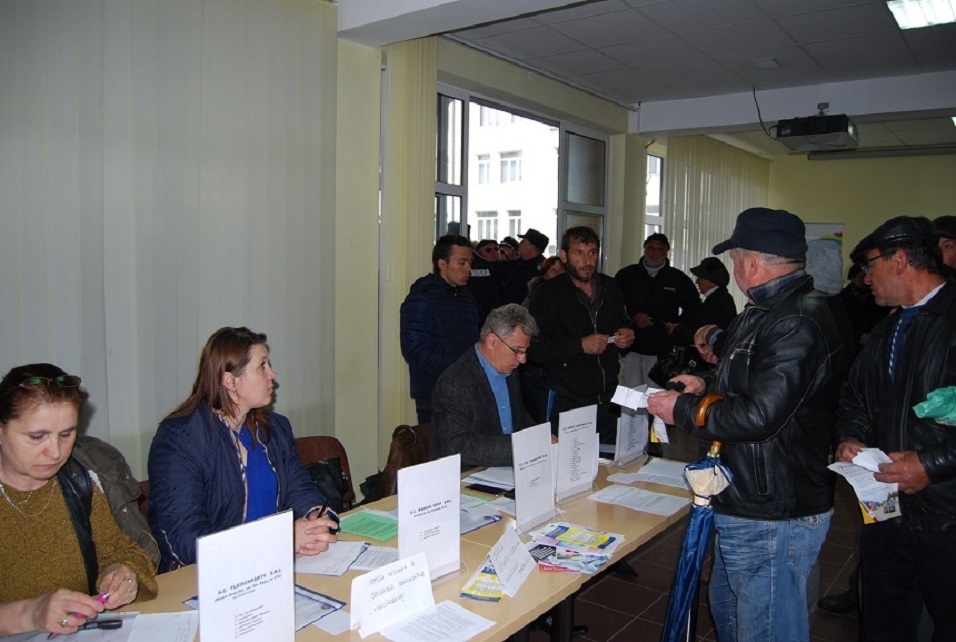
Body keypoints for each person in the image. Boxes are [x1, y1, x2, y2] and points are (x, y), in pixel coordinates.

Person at [648, 208, 845, 642]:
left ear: (751, 264)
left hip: (772, 508)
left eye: (735, 259)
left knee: (765, 629)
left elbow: (759, 416)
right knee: (734, 617)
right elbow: (751, 382)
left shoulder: (795, 320)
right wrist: (705, 384)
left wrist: (683, 410)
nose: (734, 269)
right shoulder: (767, 310)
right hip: (748, 495)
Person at [835, 215, 956, 642]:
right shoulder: (887, 329)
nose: (866, 278)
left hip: (947, 513)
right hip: (887, 508)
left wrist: (933, 464)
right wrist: (850, 437)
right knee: (884, 620)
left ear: (901, 260)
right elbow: (854, 396)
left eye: (871, 265)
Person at [148, 327, 338, 573]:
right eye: (262, 366)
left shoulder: (274, 428)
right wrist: (280, 539)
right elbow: (187, 541)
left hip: (272, 567)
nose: (272, 374)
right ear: (230, 381)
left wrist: (315, 519)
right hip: (209, 579)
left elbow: (298, 487)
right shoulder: (179, 440)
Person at [0, 364, 157, 636]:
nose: (55, 452)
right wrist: (32, 613)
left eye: (66, 434)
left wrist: (122, 572)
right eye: (37, 437)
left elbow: (123, 549)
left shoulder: (81, 478)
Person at [529, 226, 635, 444]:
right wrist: (579, 346)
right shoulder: (547, 295)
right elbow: (535, 349)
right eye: (579, 253)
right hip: (567, 398)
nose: (587, 261)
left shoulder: (610, 286)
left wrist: (627, 333)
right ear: (564, 256)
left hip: (608, 397)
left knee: (609, 459)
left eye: (592, 252)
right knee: (568, 461)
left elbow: (623, 321)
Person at [430, 304, 537, 467]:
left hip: (505, 470)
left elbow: (518, 416)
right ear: (492, 341)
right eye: (517, 351)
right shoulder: (454, 382)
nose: (523, 360)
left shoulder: (509, 370)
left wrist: (537, 436)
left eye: (525, 351)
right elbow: (456, 446)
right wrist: (519, 448)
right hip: (467, 474)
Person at [400, 235, 480, 424]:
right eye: (462, 263)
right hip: (434, 392)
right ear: (442, 264)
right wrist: (457, 368)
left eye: (470, 263)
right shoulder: (422, 296)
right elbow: (414, 349)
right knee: (438, 443)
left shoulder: (466, 296)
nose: (468, 268)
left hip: (467, 389)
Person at [615, 233, 700, 388]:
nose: (654, 253)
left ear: (666, 253)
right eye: (650, 248)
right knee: (630, 395)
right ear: (644, 250)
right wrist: (633, 316)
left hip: (662, 351)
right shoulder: (626, 275)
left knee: (657, 396)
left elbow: (694, 307)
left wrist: (677, 326)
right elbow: (614, 305)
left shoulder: (677, 278)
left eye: (660, 249)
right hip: (631, 348)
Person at [669, 256, 737, 349]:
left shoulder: (717, 302)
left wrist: (676, 331)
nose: (696, 281)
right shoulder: (720, 298)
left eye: (700, 278)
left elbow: (704, 334)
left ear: (710, 280)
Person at [840, 263, 889, 352]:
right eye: (861, 277)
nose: (865, 280)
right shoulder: (843, 297)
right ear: (853, 277)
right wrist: (858, 335)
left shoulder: (876, 296)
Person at [498, 228, 549, 305]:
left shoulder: (543, 268)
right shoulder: (517, 263)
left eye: (522, 242)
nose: (519, 245)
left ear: (531, 247)